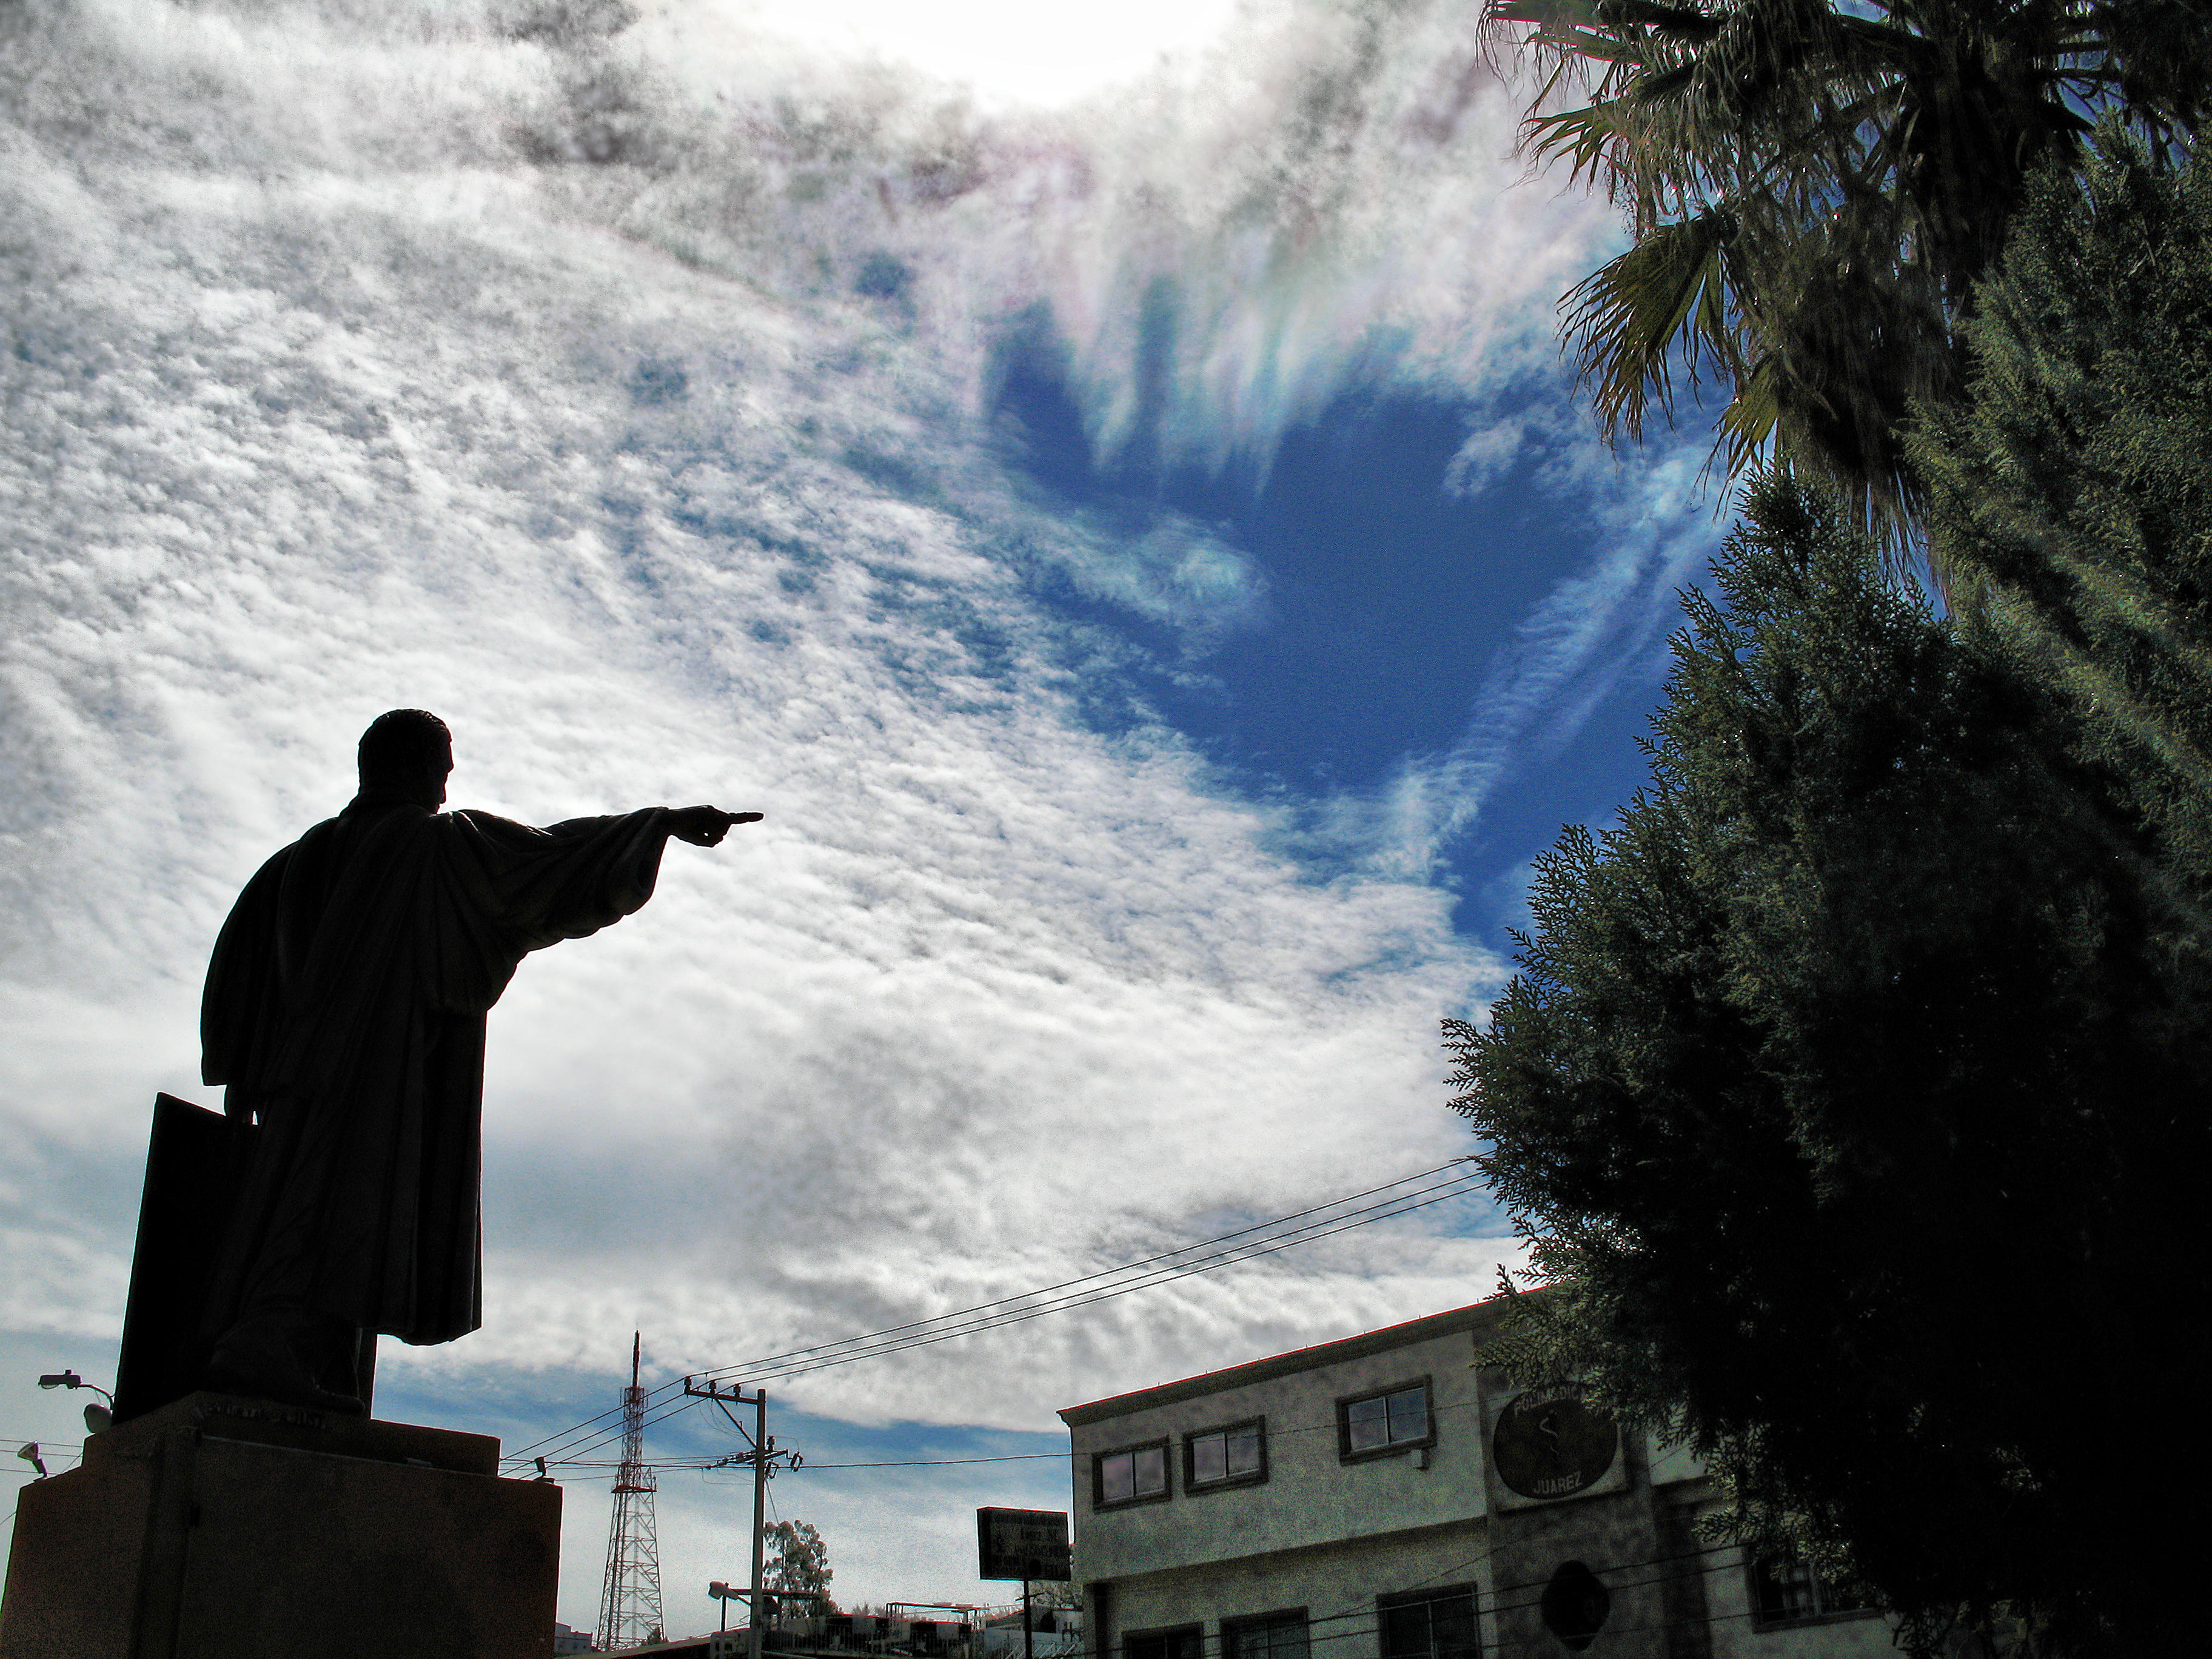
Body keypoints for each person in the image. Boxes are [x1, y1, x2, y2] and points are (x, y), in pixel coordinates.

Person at [195, 708, 761, 1413]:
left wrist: (243, 1071)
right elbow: (547, 860)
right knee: (337, 1203)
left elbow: (235, 981)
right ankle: (268, 1346)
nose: (450, 776)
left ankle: (304, 1357)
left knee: (305, 1201)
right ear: (418, 768)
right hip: (374, 1070)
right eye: (443, 760)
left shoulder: (294, 861)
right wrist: (661, 824)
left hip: (290, 1082)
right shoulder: (432, 846)